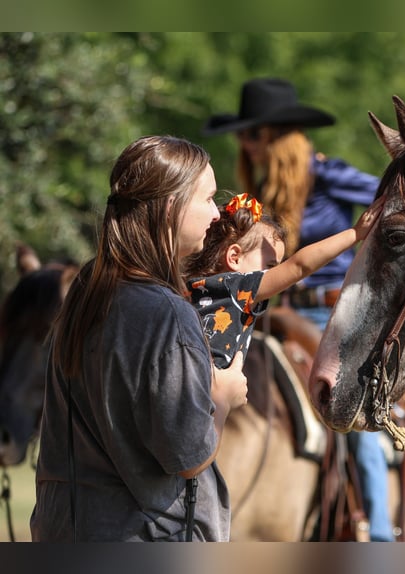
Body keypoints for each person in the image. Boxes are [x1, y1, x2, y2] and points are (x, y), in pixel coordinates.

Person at [202, 77, 395, 542]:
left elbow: (396, 198)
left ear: (278, 136)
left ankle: (381, 531)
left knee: (344, 403)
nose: (244, 145)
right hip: (271, 309)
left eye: (252, 134)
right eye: (243, 135)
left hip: (326, 313)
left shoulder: (327, 174)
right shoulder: (258, 194)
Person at [30, 135, 249, 542]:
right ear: (171, 205)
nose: (218, 214)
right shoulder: (167, 314)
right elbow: (187, 458)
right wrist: (223, 400)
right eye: (207, 199)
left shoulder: (88, 287)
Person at [183, 192, 382, 370]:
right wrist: (355, 233)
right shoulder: (234, 287)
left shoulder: (196, 287)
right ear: (234, 257)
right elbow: (299, 266)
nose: (277, 274)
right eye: (270, 266)